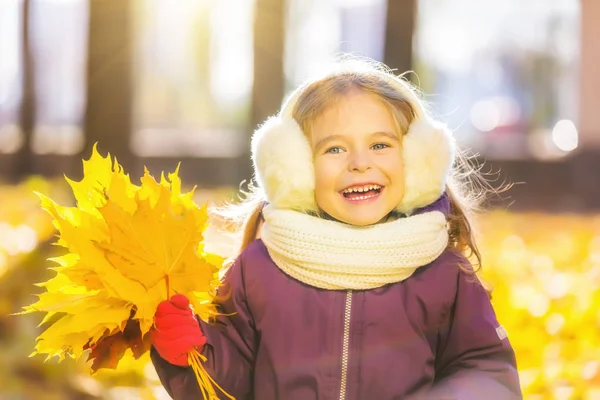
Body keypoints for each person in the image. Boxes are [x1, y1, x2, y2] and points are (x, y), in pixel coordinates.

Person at [150, 58, 522, 400]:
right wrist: (190, 354)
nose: (360, 163)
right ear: (296, 169)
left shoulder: (444, 273)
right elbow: (227, 385)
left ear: (417, 160)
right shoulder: (259, 270)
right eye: (334, 150)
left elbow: (485, 369)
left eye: (380, 145)